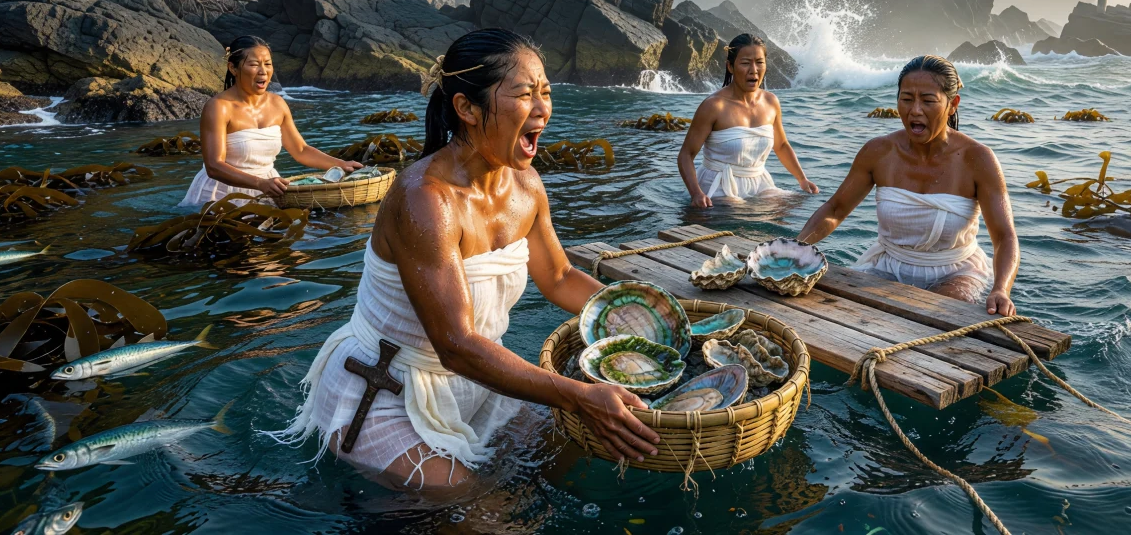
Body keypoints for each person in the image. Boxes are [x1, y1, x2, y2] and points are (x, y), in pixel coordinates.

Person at [270, 29, 660, 496]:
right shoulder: (425, 200)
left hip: (476, 383)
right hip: (386, 390)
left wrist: (649, 317)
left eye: (546, 93)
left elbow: (558, 278)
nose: (542, 109)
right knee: (484, 515)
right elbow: (455, 344)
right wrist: (578, 395)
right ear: (467, 108)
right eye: (523, 94)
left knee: (570, 453)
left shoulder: (527, 185)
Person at [796, 55, 1018, 316]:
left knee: (935, 322)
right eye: (907, 99)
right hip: (887, 266)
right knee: (833, 315)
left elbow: (1004, 237)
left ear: (952, 104)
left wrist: (1001, 288)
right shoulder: (879, 151)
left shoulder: (978, 159)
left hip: (956, 273)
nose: (915, 110)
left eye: (928, 100)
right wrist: (794, 249)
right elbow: (835, 210)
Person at [179, 35, 362, 209]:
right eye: (253, 64)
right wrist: (259, 183)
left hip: (271, 188)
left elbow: (300, 150)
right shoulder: (219, 107)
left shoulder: (278, 104)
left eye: (267, 64)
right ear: (233, 68)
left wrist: (340, 164)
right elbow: (214, 166)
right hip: (221, 195)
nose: (263, 71)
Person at [677, 33, 819, 208]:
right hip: (720, 186)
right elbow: (686, 155)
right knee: (741, 215)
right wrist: (696, 193)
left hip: (759, 183)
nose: (754, 70)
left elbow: (781, 145)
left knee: (796, 206)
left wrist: (802, 179)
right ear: (730, 66)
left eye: (759, 62)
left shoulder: (771, 102)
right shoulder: (714, 106)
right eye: (745, 63)